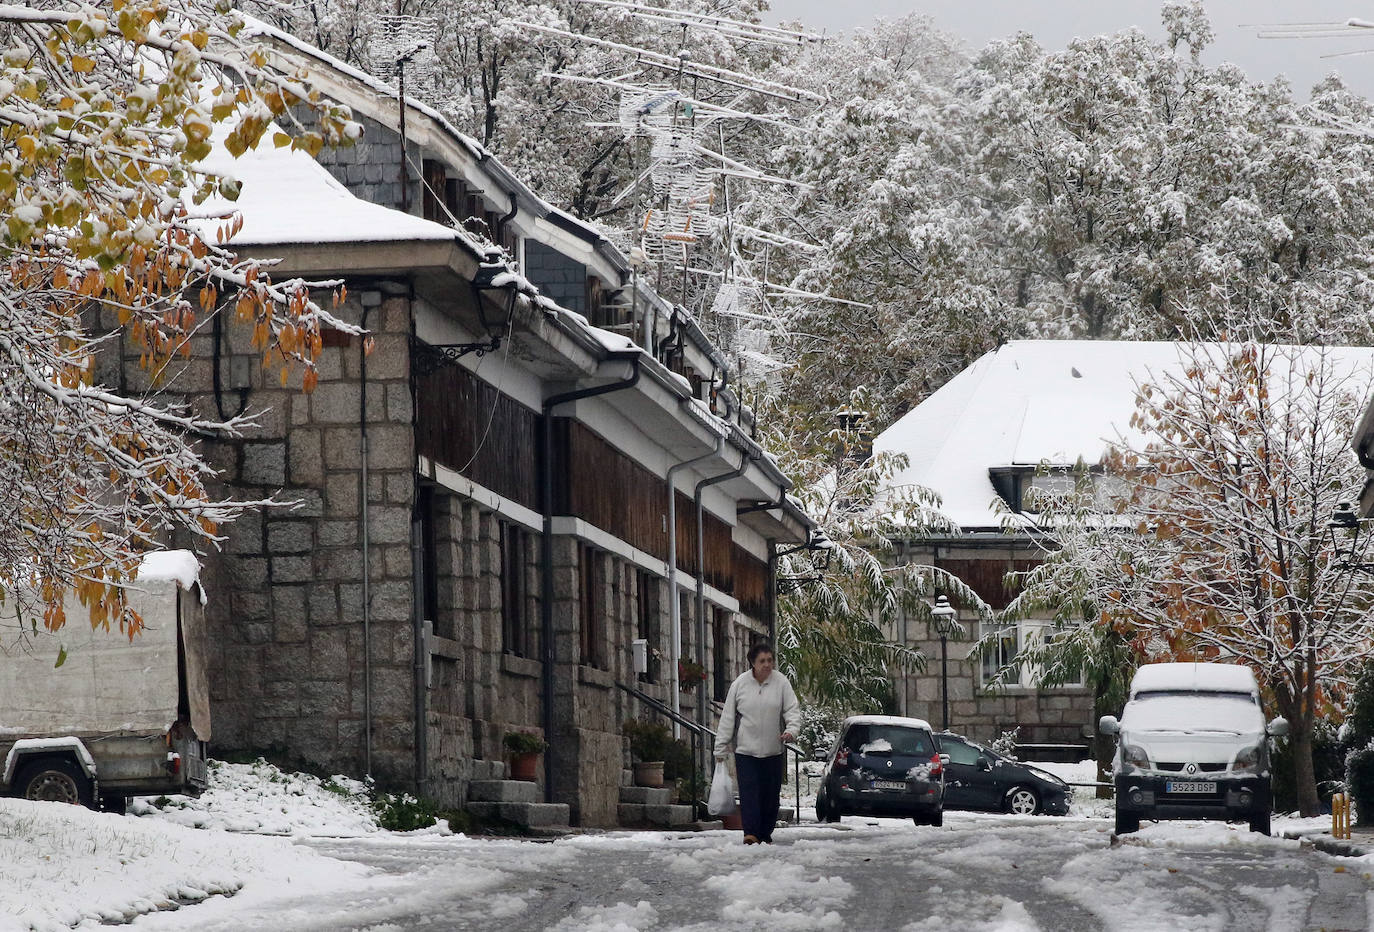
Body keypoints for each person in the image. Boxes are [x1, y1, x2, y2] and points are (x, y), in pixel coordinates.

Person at [713, 640, 802, 845]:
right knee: (749, 793)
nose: (767, 665)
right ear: (753, 663)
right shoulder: (740, 684)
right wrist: (721, 747)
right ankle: (751, 833)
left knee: (771, 796)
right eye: (762, 661)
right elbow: (728, 717)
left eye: (770, 660)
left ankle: (765, 832)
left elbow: (792, 710)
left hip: (773, 751)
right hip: (746, 751)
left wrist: (791, 731)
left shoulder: (781, 683)